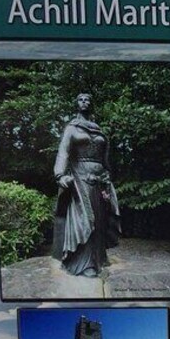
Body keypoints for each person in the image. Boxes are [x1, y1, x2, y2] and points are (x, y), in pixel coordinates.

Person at [52, 93, 121, 277]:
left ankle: (98, 257)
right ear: (76, 104)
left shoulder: (99, 130)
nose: (85, 102)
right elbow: (63, 152)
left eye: (88, 100)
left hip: (99, 178)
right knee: (86, 218)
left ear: (92, 104)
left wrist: (107, 178)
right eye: (81, 100)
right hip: (80, 178)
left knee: (99, 218)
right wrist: (60, 175)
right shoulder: (72, 128)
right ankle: (84, 263)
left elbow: (105, 158)